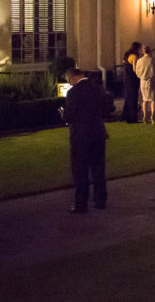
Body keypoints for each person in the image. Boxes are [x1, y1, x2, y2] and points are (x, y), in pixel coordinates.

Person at [62, 67, 108, 213]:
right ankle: (100, 200)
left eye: (69, 81)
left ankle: (81, 204)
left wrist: (64, 115)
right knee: (98, 169)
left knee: (80, 171)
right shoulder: (98, 88)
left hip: (81, 135)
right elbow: (107, 108)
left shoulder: (73, 92)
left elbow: (70, 116)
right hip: (98, 132)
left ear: (73, 78)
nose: (70, 83)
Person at [134, 44, 155, 124]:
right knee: (153, 100)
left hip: (143, 81)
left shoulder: (139, 60)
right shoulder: (153, 60)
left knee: (144, 100)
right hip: (152, 81)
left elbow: (137, 72)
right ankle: (153, 118)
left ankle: (145, 116)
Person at [121, 42, 141, 124]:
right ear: (137, 48)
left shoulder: (127, 55)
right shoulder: (134, 56)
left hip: (126, 78)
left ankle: (125, 115)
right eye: (140, 48)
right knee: (133, 99)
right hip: (132, 79)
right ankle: (132, 118)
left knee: (128, 98)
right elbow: (135, 69)